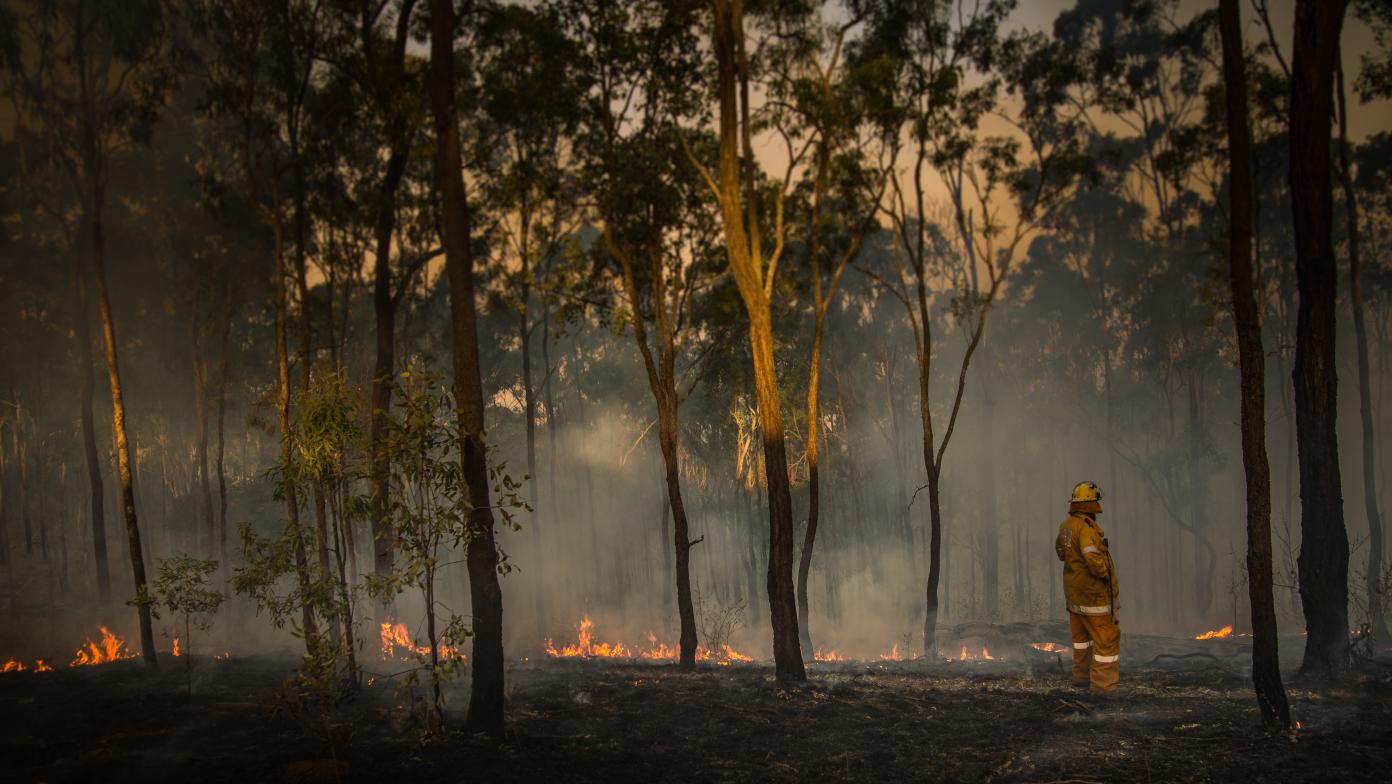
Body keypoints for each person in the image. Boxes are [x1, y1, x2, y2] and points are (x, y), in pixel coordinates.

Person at [1055, 481, 1120, 693]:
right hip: (1094, 597)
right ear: (1090, 503)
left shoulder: (1066, 526)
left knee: (1082, 642)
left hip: (1075, 596)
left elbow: (1061, 552)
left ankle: (1081, 680)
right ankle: (1104, 688)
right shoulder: (1086, 529)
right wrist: (1106, 574)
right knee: (1106, 642)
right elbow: (1092, 557)